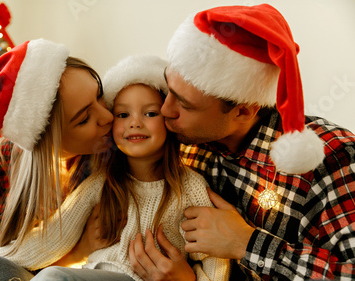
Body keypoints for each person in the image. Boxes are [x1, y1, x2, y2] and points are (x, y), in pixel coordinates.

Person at [129, 4, 355, 281]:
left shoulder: (332, 157)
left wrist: (246, 243)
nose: (165, 109)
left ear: (243, 111)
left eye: (185, 105)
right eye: (169, 89)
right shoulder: (180, 137)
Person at [0, 55, 231, 281]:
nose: (135, 122)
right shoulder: (101, 183)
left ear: (168, 118)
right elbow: (52, 238)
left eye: (149, 113)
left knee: (53, 278)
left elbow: (212, 255)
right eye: (123, 114)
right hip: (93, 273)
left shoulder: (191, 189)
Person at [0, 38, 114, 280]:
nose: (108, 116)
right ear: (48, 140)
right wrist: (78, 251)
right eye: (84, 119)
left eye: (100, 95)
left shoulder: (117, 153)